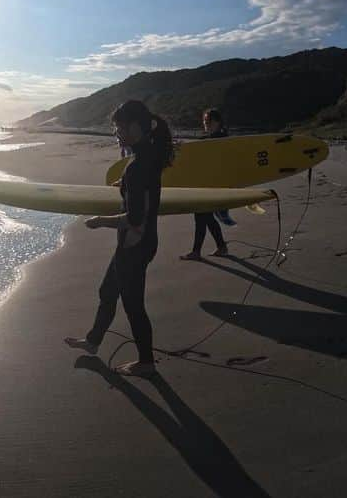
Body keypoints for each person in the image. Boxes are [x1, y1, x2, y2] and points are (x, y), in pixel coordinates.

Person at [64, 100, 175, 377]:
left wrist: (100, 221)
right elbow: (144, 193)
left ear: (136, 127)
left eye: (120, 127)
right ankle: (92, 342)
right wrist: (125, 186)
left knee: (133, 305)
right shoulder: (149, 156)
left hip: (134, 243)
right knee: (108, 291)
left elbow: (135, 218)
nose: (117, 133)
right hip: (144, 241)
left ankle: (146, 362)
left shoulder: (137, 166)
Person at [180, 108, 230, 260]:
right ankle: (220, 247)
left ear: (218, 122)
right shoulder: (210, 139)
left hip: (213, 185)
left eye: (209, 121)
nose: (206, 124)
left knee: (203, 216)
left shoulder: (221, 139)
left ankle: (198, 251)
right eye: (204, 121)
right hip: (206, 184)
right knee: (204, 216)